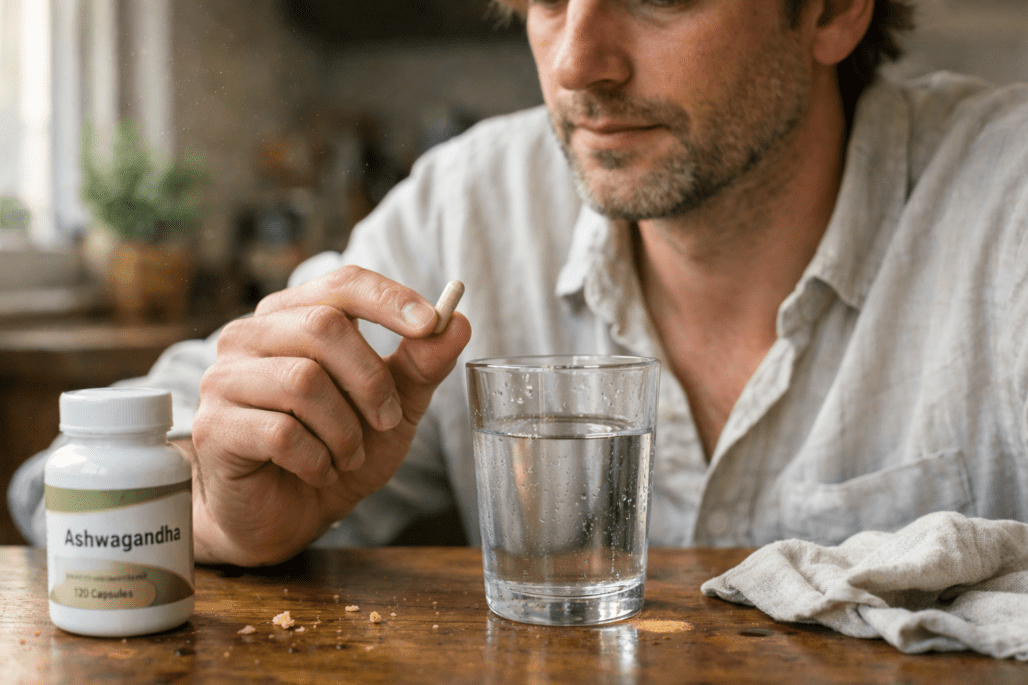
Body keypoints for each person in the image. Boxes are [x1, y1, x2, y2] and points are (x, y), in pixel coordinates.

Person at [11, 0, 1028, 567]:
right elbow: (56, 491)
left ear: (830, 11)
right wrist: (216, 511)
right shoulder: (467, 204)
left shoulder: (1003, 202)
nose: (577, 63)